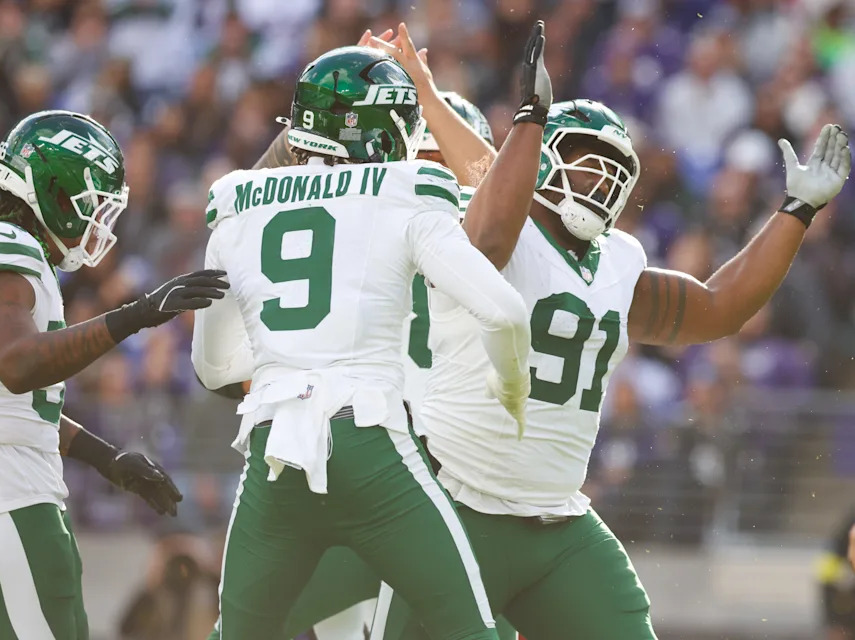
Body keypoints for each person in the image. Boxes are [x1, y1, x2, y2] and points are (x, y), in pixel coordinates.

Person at [372, 18, 852, 640]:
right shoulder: (489, 226)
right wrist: (526, 117)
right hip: (454, 504)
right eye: (584, 163)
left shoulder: (617, 263)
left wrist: (796, 211)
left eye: (611, 168)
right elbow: (489, 228)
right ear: (541, 159)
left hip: (557, 519)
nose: (599, 180)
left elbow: (719, 308)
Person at [191, 45, 533, 640]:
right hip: (378, 443)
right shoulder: (409, 195)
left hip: (275, 447)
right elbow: (505, 312)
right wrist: (512, 387)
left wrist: (288, 364)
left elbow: (212, 366)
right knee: (469, 628)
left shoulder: (236, 204)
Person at [0, 109, 229, 640]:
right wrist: (137, 314)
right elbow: (18, 366)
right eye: (91, 205)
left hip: (7, 480)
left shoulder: (3, 249)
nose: (97, 222)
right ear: (54, 194)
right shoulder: (4, 247)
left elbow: (12, 404)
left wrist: (108, 459)